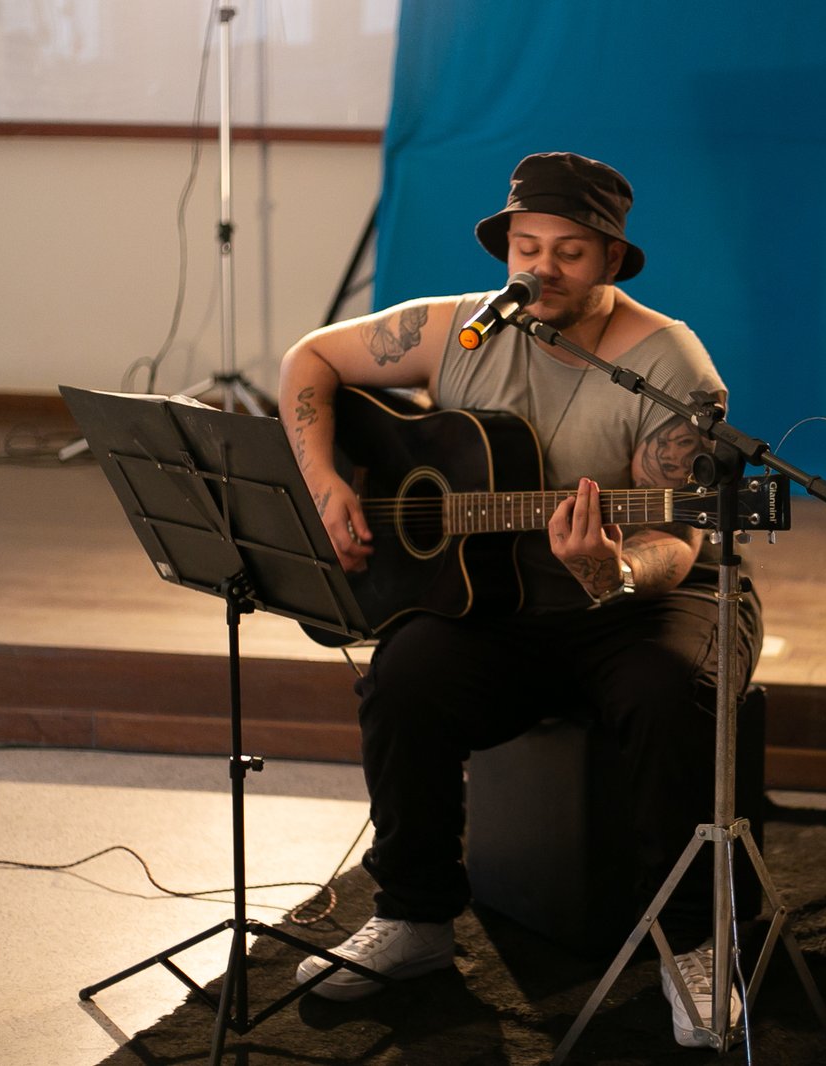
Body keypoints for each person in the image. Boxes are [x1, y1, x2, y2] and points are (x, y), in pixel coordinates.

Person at [278, 151, 760, 1048]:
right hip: (502, 596)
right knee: (404, 677)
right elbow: (309, 358)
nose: (541, 269)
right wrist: (325, 483)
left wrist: (611, 573)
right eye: (526, 248)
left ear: (611, 259)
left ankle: (695, 942)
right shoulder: (459, 328)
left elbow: (679, 536)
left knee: (665, 692)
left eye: (568, 252)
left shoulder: (669, 363)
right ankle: (415, 916)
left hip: (647, 596)